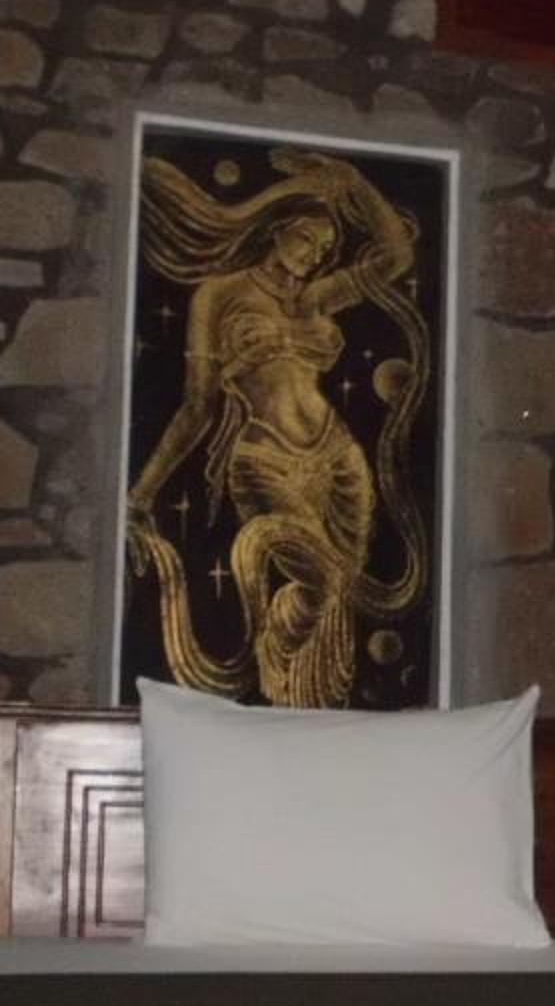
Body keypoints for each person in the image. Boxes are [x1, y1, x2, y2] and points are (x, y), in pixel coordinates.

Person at [128, 151, 428, 707]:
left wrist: (354, 181)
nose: (313, 255)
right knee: (322, 582)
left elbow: (397, 254)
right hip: (266, 459)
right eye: (306, 238)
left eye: (324, 250)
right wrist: (142, 493)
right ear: (277, 227)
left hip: (339, 457)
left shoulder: (316, 298)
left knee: (339, 600)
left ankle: (313, 706)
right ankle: (274, 664)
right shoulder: (219, 295)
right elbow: (197, 405)